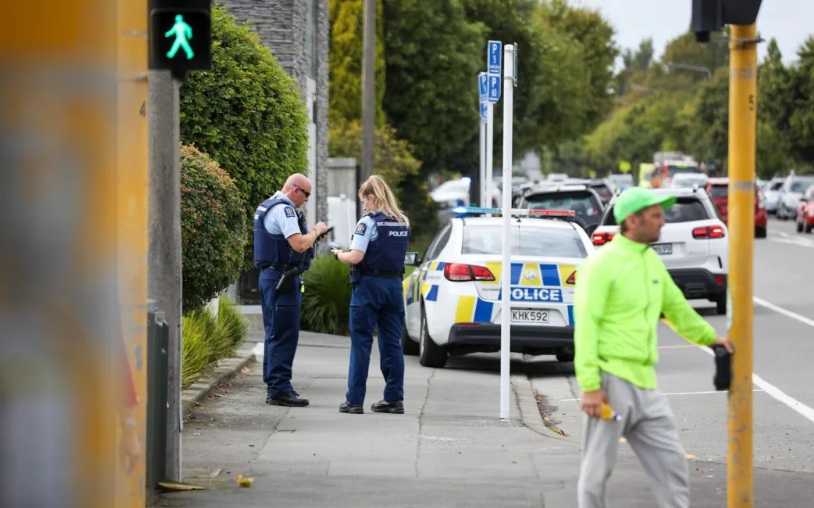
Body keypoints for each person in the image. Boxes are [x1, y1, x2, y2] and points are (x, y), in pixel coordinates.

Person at [573, 187, 733, 508]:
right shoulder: (602, 264)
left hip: (645, 384)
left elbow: (677, 309)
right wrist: (590, 385)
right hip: (610, 380)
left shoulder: (651, 262)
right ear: (633, 220)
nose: (663, 223)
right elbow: (586, 324)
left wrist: (711, 338)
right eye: (656, 216)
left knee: (672, 463)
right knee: (597, 469)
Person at [331, 175, 410, 415]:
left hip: (368, 288)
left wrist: (337, 254)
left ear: (372, 197)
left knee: (361, 343)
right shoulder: (402, 221)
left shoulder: (367, 223)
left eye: (364, 201)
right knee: (392, 344)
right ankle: (394, 399)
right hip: (394, 286)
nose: (363, 206)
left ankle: (354, 401)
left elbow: (355, 256)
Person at [254, 173, 328, 407]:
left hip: (271, 276)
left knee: (274, 332)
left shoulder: (267, 205)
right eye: (306, 194)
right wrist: (316, 230)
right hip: (282, 277)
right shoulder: (284, 210)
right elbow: (299, 244)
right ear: (295, 190)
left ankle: (274, 384)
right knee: (285, 333)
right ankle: (279, 388)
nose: (306, 200)